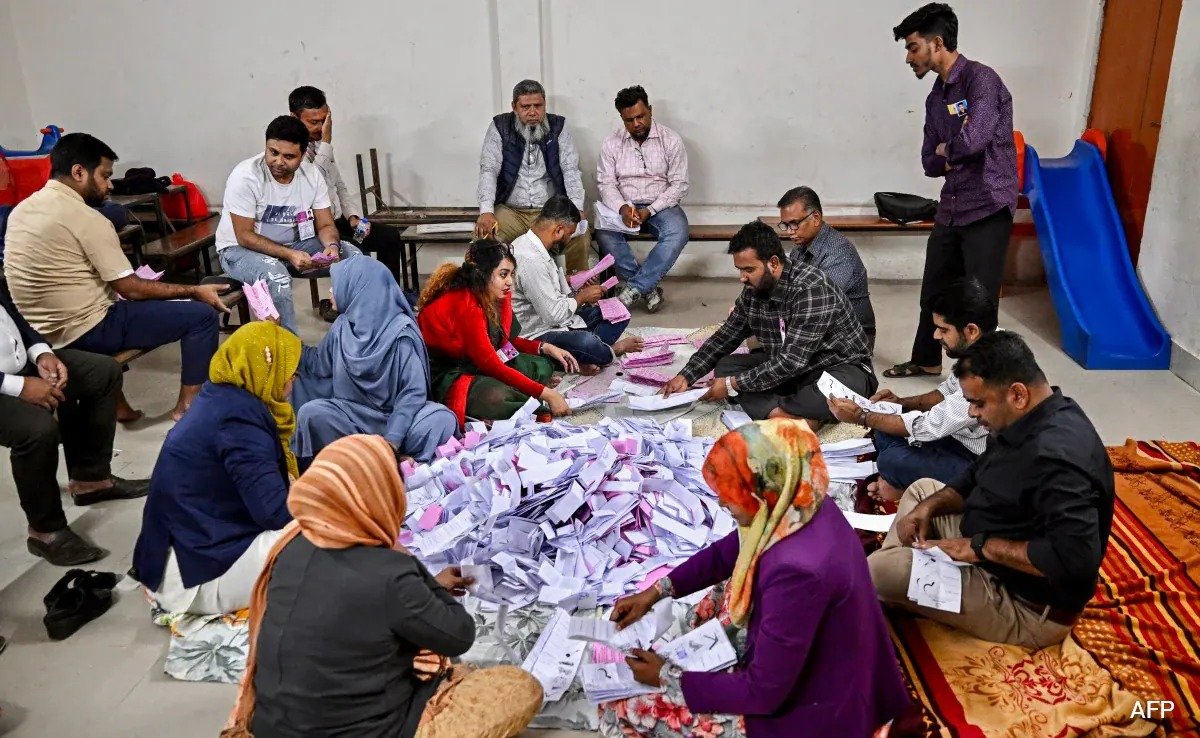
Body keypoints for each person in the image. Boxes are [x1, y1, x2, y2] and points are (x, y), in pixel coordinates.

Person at [221, 434, 544, 738]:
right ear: (382, 493)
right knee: (517, 688)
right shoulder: (391, 571)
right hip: (367, 729)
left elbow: (351, 600)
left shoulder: (290, 547)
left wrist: (420, 581)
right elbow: (458, 635)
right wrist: (410, 565)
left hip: (272, 726)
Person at [601, 419, 909, 737]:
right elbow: (731, 549)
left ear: (762, 492)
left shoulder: (797, 572)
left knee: (629, 707)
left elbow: (765, 692)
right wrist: (656, 591)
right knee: (729, 588)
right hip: (816, 645)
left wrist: (667, 678)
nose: (721, 502)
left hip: (820, 703)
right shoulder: (798, 500)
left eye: (730, 493)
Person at [869, 331, 1115, 649]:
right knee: (922, 493)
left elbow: (1073, 561)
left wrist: (979, 548)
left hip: (1023, 604)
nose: (972, 413)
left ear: (1017, 395)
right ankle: (898, 575)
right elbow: (976, 474)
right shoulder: (1030, 416)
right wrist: (929, 508)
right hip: (992, 544)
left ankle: (890, 579)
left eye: (978, 403)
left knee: (878, 571)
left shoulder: (1058, 460)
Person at [3, 132, 229, 422]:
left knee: (105, 297)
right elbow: (131, 289)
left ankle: (118, 407)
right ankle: (189, 406)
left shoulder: (22, 210)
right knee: (201, 317)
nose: (110, 185)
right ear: (79, 172)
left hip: (36, 332)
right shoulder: (86, 218)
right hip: (85, 330)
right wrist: (195, 291)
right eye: (105, 175)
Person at [885, 3, 1018, 379]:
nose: (909, 58)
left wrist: (950, 149)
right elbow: (929, 161)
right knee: (933, 290)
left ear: (937, 43)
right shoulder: (936, 97)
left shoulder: (982, 80)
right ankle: (927, 359)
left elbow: (975, 140)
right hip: (952, 206)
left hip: (988, 203)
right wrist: (947, 152)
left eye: (913, 47)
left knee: (980, 299)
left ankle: (982, 375)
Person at [132, 322, 300, 614]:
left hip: (180, 555)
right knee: (324, 539)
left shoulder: (222, 397)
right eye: (289, 372)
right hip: (197, 574)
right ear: (266, 370)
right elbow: (275, 514)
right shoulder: (239, 423)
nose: (292, 381)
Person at [663, 221, 874, 427]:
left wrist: (732, 385)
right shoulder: (754, 290)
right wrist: (686, 375)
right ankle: (784, 414)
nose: (742, 278)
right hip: (790, 369)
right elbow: (725, 337)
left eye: (749, 269)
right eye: (739, 270)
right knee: (727, 366)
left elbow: (791, 362)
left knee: (831, 395)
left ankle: (783, 409)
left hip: (835, 367)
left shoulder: (811, 289)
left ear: (773, 263)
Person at [0, 287, 147, 566]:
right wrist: (19, 387)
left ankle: (91, 480)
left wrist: (42, 354)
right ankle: (45, 531)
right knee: (36, 430)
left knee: (103, 372)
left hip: (20, 368)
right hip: (5, 383)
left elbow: (14, 314)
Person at [828, 278, 995, 501]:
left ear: (971, 330)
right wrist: (901, 403)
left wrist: (861, 416)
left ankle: (899, 483)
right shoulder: (980, 346)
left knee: (891, 460)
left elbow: (927, 426)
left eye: (943, 330)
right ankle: (900, 481)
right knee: (887, 420)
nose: (936, 336)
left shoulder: (986, 373)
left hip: (977, 462)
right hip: (954, 436)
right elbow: (945, 393)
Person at [292, 258, 455, 467]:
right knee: (310, 413)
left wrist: (392, 440)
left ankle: (377, 458)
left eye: (337, 285)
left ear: (359, 290)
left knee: (440, 419)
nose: (331, 291)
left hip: (396, 421)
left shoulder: (401, 333)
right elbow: (318, 364)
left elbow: (413, 393)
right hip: (352, 417)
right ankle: (386, 460)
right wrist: (282, 339)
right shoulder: (342, 326)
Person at [215, 116, 363, 334]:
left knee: (354, 258)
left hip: (293, 246)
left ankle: (360, 335)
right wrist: (289, 255)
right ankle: (290, 352)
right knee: (278, 277)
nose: (278, 161)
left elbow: (325, 225)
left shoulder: (311, 175)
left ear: (302, 156)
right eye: (273, 152)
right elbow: (244, 235)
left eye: (289, 156)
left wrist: (332, 246)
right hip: (239, 250)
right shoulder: (246, 175)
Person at [417, 239, 576, 425]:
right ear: (482, 274)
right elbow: (491, 364)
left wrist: (544, 347)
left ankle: (517, 391)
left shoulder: (493, 294)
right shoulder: (466, 303)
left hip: (478, 361)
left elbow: (502, 341)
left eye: (511, 274)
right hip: (451, 373)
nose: (510, 281)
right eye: (503, 274)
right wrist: (548, 394)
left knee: (541, 365)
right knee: (499, 397)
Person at [289, 85, 405, 291]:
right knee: (355, 251)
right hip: (315, 228)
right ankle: (361, 301)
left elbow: (339, 186)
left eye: (324, 120)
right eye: (313, 122)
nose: (321, 127)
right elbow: (313, 184)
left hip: (338, 221)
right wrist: (326, 142)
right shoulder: (290, 151)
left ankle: (390, 298)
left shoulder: (320, 147)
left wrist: (353, 216)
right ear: (294, 118)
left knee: (389, 237)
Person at [511, 196, 644, 371]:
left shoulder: (537, 245)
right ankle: (610, 350)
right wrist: (582, 297)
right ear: (558, 230)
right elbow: (554, 316)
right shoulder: (530, 260)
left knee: (619, 312)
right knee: (586, 342)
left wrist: (573, 281)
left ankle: (582, 355)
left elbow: (552, 289)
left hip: (562, 322)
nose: (569, 240)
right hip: (539, 333)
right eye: (569, 234)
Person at [474, 79, 591, 275]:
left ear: (545, 104)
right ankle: (485, 291)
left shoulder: (558, 127)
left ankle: (577, 288)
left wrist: (577, 208)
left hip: (550, 212)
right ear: (514, 107)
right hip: (510, 211)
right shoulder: (500, 127)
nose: (532, 112)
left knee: (579, 236)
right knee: (484, 238)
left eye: (538, 106)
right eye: (525, 107)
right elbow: (489, 169)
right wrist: (486, 211)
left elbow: (571, 169)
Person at [595, 85, 690, 313]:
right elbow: (606, 183)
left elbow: (679, 184)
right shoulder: (611, 143)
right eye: (629, 120)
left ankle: (633, 288)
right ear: (622, 118)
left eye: (641, 116)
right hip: (625, 207)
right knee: (604, 232)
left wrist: (650, 210)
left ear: (650, 110)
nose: (636, 123)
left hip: (661, 206)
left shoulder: (671, 140)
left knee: (678, 232)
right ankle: (647, 288)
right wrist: (622, 208)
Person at [776, 186, 875, 345]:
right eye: (785, 225)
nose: (789, 231)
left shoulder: (839, 252)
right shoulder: (800, 248)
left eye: (794, 224)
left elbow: (819, 304)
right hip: (821, 327)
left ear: (815, 217)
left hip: (851, 338)